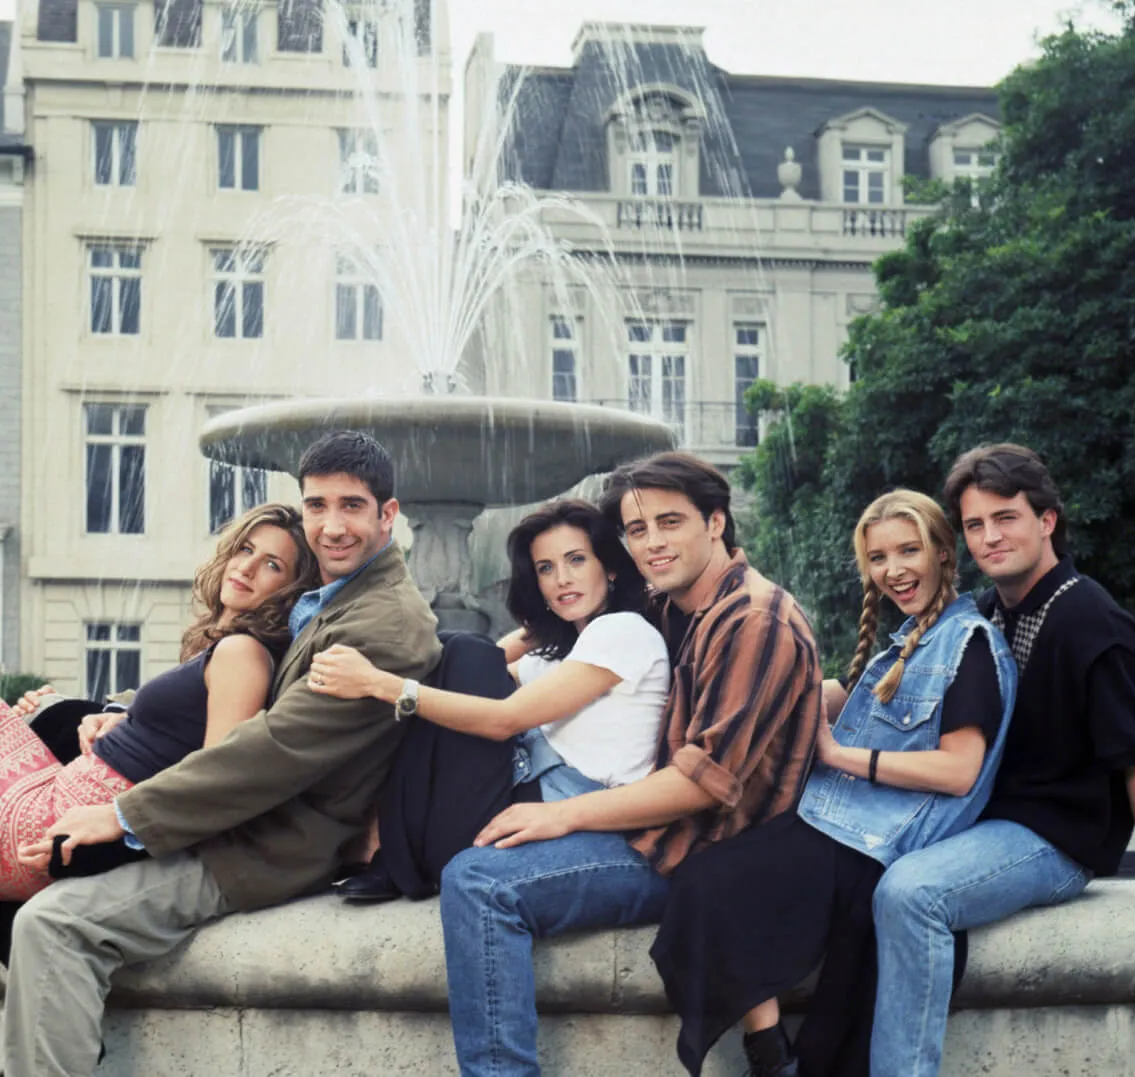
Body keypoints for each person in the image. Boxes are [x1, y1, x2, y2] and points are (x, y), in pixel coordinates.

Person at [4, 430, 441, 1077]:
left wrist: (120, 815)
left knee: (53, 924)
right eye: (317, 504)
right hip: (248, 823)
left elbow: (271, 749)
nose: (330, 524)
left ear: (389, 514)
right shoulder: (341, 598)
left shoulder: (382, 621)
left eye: (351, 505)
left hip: (264, 846)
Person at [434, 451, 824, 1077]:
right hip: (657, 829)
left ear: (716, 521)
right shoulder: (677, 602)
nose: (652, 544)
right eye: (637, 531)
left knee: (481, 883)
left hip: (694, 851)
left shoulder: (753, 619)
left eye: (670, 522)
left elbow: (700, 788)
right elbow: (576, 613)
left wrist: (562, 817)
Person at [651, 489, 1017, 1077]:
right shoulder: (905, 641)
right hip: (839, 824)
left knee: (705, 881)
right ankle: (776, 1054)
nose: (893, 570)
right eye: (878, 558)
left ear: (944, 554)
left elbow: (958, 770)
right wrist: (793, 693)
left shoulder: (969, 645)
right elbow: (863, 704)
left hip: (871, 847)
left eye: (908, 551)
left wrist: (841, 755)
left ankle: (770, 1057)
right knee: (705, 861)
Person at [869, 444, 1135, 1077]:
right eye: (974, 525)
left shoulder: (1092, 621)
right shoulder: (991, 611)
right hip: (990, 820)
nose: (989, 537)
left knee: (911, 894)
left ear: (1046, 520)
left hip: (1056, 837)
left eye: (1006, 518)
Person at [307, 498, 671, 898]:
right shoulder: (564, 652)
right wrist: (542, 626)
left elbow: (503, 717)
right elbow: (474, 676)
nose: (562, 578)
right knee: (453, 654)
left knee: (462, 649)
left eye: (577, 560)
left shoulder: (623, 631)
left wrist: (380, 684)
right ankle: (387, 851)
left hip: (556, 815)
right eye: (545, 569)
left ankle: (384, 852)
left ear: (611, 567)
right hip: (501, 816)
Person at [0, 502, 320, 900]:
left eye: (273, 565)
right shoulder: (220, 646)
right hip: (57, 808)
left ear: (291, 592)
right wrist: (121, 717)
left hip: (55, 824)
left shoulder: (243, 654)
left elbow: (218, 777)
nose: (247, 567)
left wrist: (113, 837)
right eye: (245, 549)